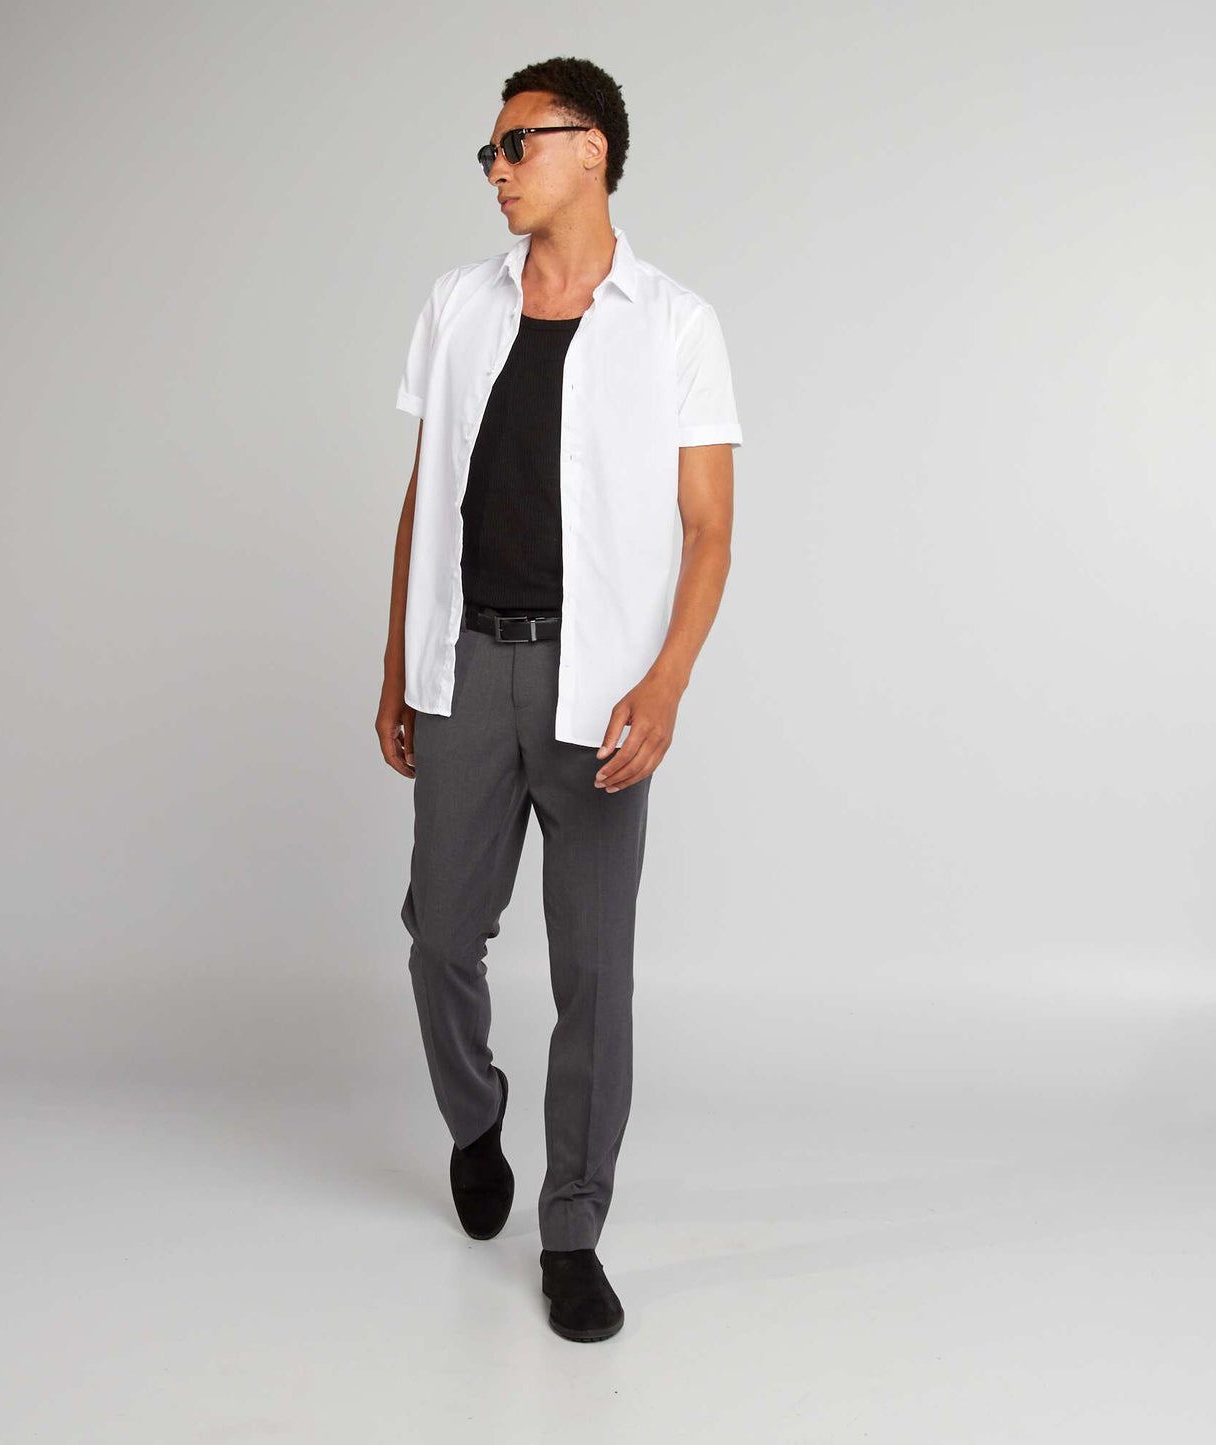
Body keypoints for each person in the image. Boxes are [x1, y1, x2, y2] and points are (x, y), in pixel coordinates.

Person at [376, 55, 743, 1343]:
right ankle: (476, 1122)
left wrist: (668, 679)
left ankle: (573, 1228)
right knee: (439, 935)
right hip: (468, 663)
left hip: (599, 686)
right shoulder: (457, 304)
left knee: (593, 972)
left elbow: (709, 528)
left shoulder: (675, 322)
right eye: (488, 151)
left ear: (591, 148)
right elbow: (426, 496)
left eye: (515, 144)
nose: (496, 169)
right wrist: (396, 664)